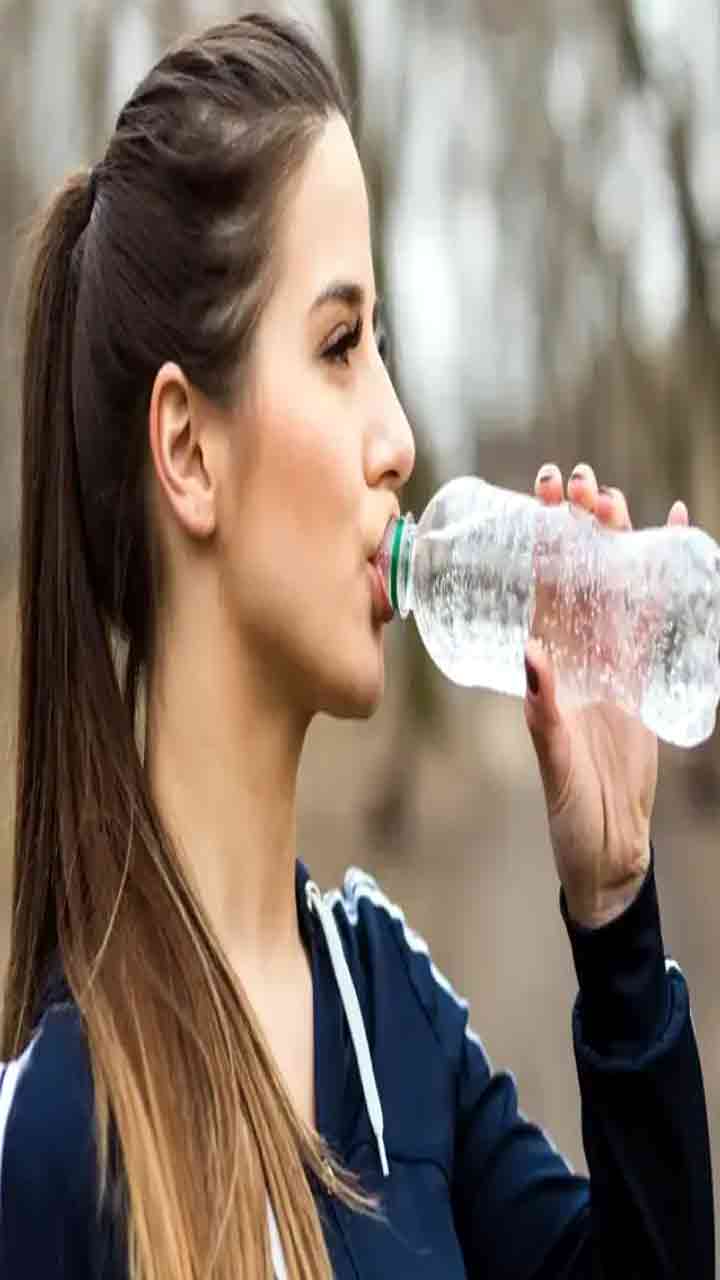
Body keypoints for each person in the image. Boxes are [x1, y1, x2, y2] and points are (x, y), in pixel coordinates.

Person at [0, 12, 713, 1280]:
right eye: (340, 345)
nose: (399, 437)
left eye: (379, 345)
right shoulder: (55, 1138)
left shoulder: (390, 1009)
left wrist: (614, 914)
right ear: (188, 450)